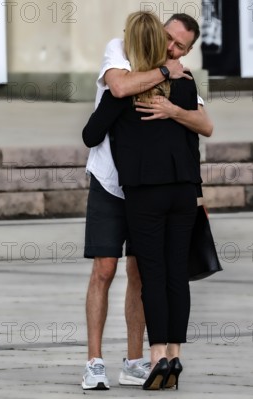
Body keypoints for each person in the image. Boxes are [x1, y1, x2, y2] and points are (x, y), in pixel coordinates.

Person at [82, 12, 213, 390]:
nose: (172, 50)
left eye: (180, 48)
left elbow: (203, 124)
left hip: (145, 192)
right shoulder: (120, 51)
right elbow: (120, 87)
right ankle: (96, 360)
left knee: (147, 273)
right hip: (112, 184)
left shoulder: (179, 77)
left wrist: (172, 108)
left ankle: (141, 359)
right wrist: (167, 74)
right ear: (155, 35)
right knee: (107, 270)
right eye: (168, 40)